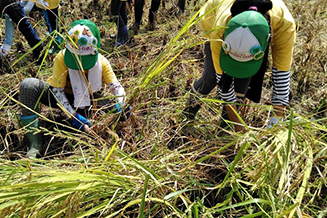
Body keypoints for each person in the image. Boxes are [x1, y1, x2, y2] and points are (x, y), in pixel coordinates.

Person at [19, 19, 130, 158]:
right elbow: (57, 91)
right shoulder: (62, 58)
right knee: (28, 86)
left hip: (89, 101)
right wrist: (72, 115)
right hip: (60, 98)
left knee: (121, 111)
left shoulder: (101, 62)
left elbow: (117, 87)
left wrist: (121, 102)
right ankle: (34, 144)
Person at [182, 0, 296, 132]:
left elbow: (281, 73)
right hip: (212, 19)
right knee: (211, 78)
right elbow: (223, 84)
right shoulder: (221, 26)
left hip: (264, 36)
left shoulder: (284, 24)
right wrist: (238, 126)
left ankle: (223, 132)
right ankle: (187, 119)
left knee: (242, 85)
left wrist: (276, 121)